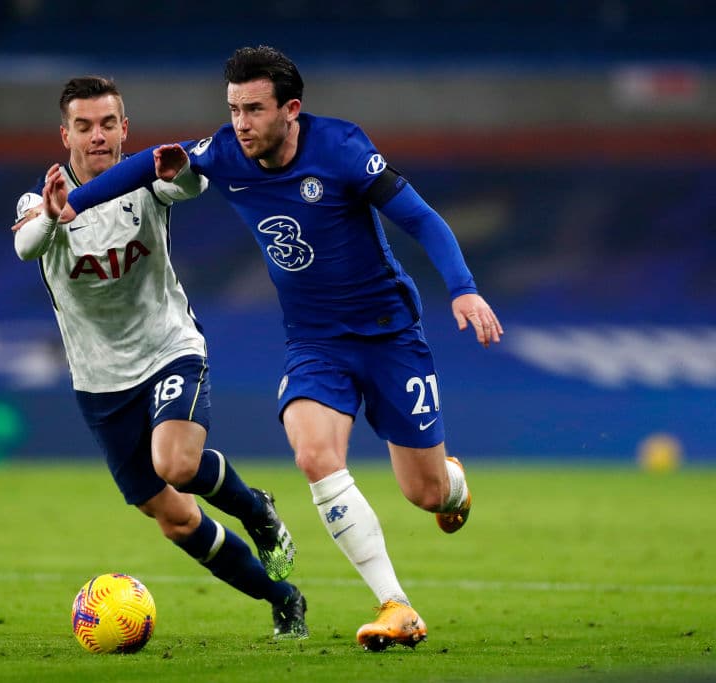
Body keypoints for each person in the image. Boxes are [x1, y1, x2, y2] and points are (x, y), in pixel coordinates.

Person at [51, 46, 504, 651]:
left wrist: (464, 289)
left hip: (388, 334)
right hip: (315, 342)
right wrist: (72, 204)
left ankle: (451, 483)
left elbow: (421, 219)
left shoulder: (342, 149)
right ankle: (395, 605)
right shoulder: (225, 152)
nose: (241, 124)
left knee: (425, 493)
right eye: (234, 109)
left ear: (291, 109)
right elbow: (143, 168)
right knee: (314, 456)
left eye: (254, 110)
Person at [10, 76, 308, 639]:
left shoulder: (143, 181)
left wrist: (180, 170)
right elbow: (27, 245)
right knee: (174, 519)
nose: (97, 136)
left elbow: (188, 185)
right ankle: (283, 598)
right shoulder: (39, 202)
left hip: (169, 349)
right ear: (65, 135)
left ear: (124, 128)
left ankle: (255, 509)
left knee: (177, 463)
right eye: (83, 126)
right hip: (100, 381)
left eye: (107, 124)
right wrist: (52, 214)